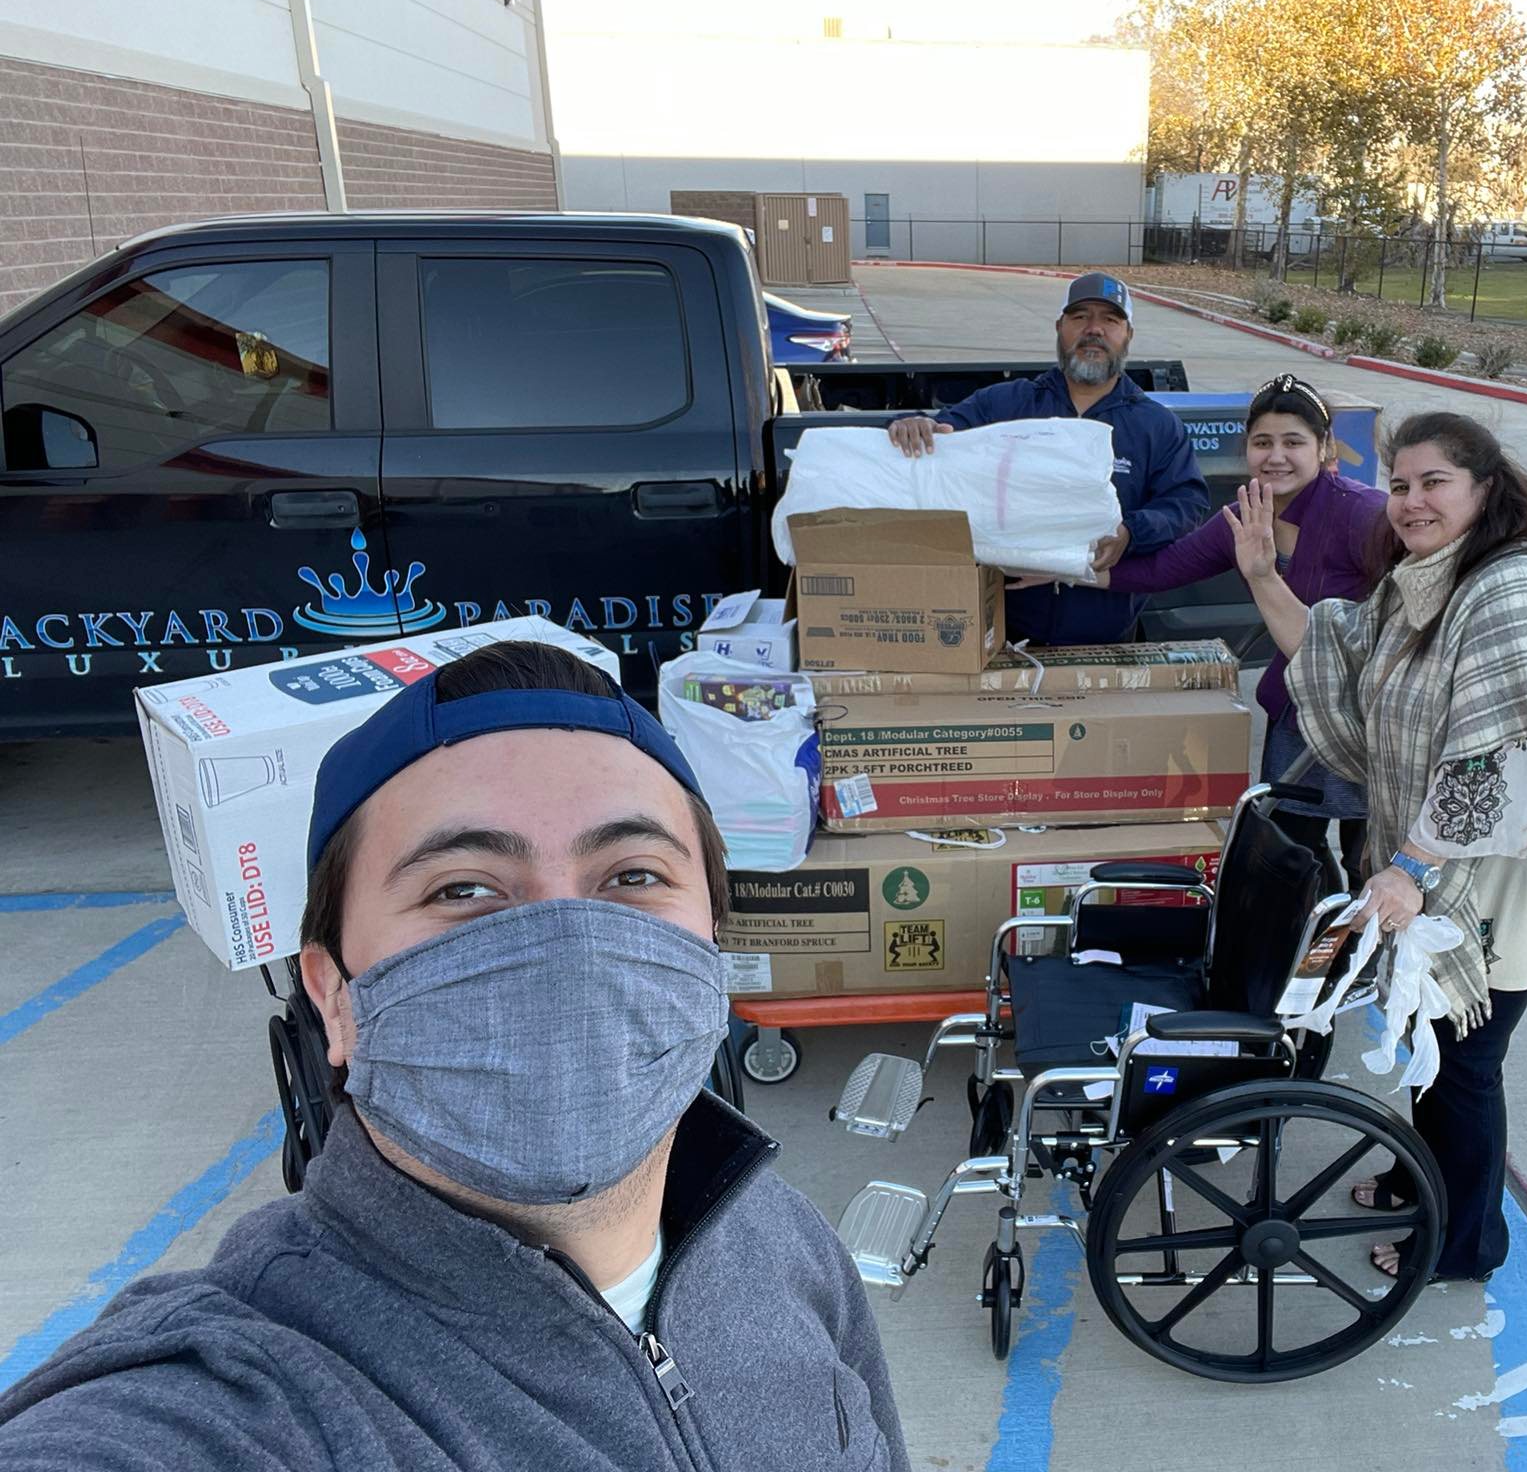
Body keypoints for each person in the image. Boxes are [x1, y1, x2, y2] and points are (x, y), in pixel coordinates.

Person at [0, 640, 910, 1472]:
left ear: (712, 950)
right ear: (335, 998)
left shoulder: (779, 1236)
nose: (567, 947)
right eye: (464, 888)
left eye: (634, 875)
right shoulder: (242, 1395)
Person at [1228, 412, 1527, 1284]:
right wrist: (1261, 574)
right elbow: (1329, 653)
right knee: (1431, 1035)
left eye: (1434, 483)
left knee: (1465, 1061)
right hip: (1448, 848)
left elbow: (1507, 753)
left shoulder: (1515, 586)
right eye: (1401, 485)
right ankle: (1422, 1180)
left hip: (1505, 864)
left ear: (1485, 488)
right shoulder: (1422, 584)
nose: (1412, 501)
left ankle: (1464, 1242)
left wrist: (1413, 865)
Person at [1109, 373, 1388, 890]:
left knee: (1369, 861)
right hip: (1296, 713)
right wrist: (1068, 567)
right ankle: (1313, 938)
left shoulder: (1363, 513)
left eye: (1293, 442)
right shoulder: (1245, 518)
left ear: (1324, 447)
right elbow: (1162, 570)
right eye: (1263, 442)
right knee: (1289, 857)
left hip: (1367, 718)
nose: (1276, 456)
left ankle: (1364, 942)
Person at [888, 272, 1208, 645]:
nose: (1094, 329)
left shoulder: (1157, 425)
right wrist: (913, 425)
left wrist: (1132, 532)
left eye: (1110, 320)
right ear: (1060, 327)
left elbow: (1187, 503)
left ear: (1128, 335)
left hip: (1107, 641)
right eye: (1080, 317)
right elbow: (942, 435)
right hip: (1005, 638)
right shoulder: (1005, 404)